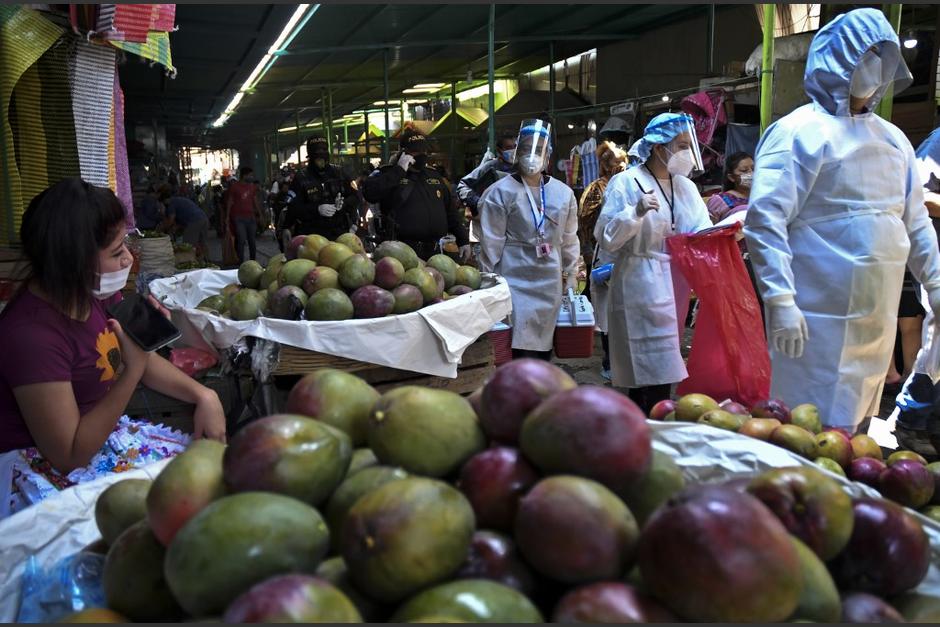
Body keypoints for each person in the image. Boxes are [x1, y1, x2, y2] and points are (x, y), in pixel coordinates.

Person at [744, 8, 940, 434]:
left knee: (857, 430)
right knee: (805, 427)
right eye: (867, 54)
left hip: (878, 309)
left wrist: (937, 284)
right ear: (837, 60)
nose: (876, 66)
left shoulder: (893, 140)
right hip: (814, 315)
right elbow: (765, 221)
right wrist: (779, 300)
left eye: (881, 56)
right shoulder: (796, 132)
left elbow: (916, 221)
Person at [0, 178, 226, 517]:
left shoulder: (94, 294)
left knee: (213, 479)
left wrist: (204, 396)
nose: (128, 261)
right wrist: (131, 370)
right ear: (75, 262)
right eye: (117, 251)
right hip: (41, 465)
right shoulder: (30, 336)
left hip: (102, 436)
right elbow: (69, 455)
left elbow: (141, 357)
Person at [595, 112, 711, 414]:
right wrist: (633, 213)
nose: (687, 153)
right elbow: (607, 238)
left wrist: (724, 234)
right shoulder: (626, 182)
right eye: (682, 145)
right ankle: (639, 419)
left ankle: (658, 419)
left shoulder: (685, 187)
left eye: (689, 146)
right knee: (641, 362)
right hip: (638, 280)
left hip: (674, 280)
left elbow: (700, 230)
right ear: (660, 147)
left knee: (666, 359)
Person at [479, 119, 579, 361]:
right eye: (525, 149)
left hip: (549, 279)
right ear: (516, 152)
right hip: (513, 277)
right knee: (516, 345)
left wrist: (572, 272)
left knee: (543, 345)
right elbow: (490, 242)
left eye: (539, 149)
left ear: (549, 155)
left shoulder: (563, 194)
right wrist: (486, 281)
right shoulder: (500, 192)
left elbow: (569, 237)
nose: (531, 155)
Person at [363, 128, 471, 261]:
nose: (422, 155)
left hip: (434, 251)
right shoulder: (387, 173)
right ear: (403, 153)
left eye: (424, 151)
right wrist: (399, 170)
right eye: (416, 151)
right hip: (400, 252)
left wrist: (463, 240)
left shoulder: (434, 176)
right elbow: (370, 193)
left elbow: (450, 212)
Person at [578, 140, 627, 380]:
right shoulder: (596, 188)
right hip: (603, 252)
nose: (621, 166)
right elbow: (586, 220)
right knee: (606, 311)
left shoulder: (631, 184)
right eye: (616, 162)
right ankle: (608, 360)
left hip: (628, 256)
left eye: (623, 161)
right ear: (605, 165)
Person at [282, 137, 360, 246]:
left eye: (323, 151)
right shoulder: (301, 178)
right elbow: (292, 208)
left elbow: (356, 196)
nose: (321, 157)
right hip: (312, 238)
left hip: (339, 234)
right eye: (317, 153)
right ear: (310, 155)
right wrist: (316, 209)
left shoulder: (340, 173)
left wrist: (343, 204)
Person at [457, 132, 517, 252]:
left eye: (514, 147)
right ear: (499, 151)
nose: (513, 151)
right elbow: (462, 185)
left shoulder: (521, 169)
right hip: (486, 235)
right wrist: (477, 202)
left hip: (511, 236)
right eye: (508, 148)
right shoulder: (489, 168)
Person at [159, 186, 210, 260]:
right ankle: (207, 262)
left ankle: (191, 264)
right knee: (203, 243)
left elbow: (171, 220)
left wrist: (162, 229)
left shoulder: (171, 204)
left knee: (188, 245)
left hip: (194, 222)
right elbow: (180, 220)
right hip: (204, 218)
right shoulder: (179, 200)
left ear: (164, 201)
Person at [224, 166, 263, 263]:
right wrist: (227, 217)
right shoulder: (235, 187)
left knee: (252, 241)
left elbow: (255, 201)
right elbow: (230, 201)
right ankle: (240, 262)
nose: (252, 177)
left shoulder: (252, 187)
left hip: (251, 217)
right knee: (241, 240)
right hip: (239, 218)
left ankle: (253, 261)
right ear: (244, 175)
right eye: (250, 175)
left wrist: (260, 214)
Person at [707, 152, 753, 224]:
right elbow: (709, 230)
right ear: (731, 177)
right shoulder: (720, 201)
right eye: (744, 171)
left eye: (753, 169)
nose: (751, 173)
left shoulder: (762, 198)